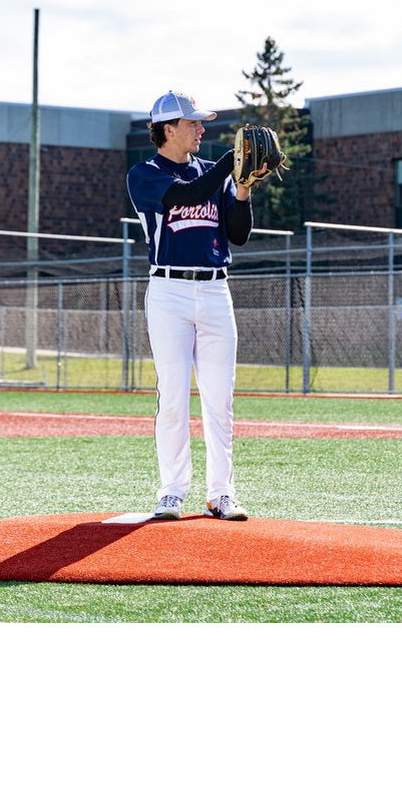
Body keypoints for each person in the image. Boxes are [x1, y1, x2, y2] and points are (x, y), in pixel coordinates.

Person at [126, 90, 264, 522]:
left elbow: (238, 235)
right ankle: (171, 491)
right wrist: (228, 163)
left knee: (219, 400)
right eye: (193, 124)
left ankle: (222, 493)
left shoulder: (214, 174)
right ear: (168, 129)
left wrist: (241, 190)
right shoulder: (144, 173)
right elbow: (183, 197)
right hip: (169, 293)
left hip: (216, 291)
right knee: (173, 398)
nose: (202, 129)